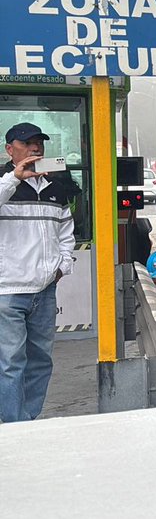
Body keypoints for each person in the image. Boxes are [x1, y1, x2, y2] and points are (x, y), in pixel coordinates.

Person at [0, 123, 75, 423]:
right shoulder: (4, 183)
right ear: (10, 149)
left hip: (44, 291)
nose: (35, 148)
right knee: (10, 363)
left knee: (40, 362)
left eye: (39, 143)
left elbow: (66, 232)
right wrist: (13, 180)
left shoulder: (55, 188)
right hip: (8, 291)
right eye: (27, 143)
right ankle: (13, 427)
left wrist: (62, 266)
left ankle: (27, 421)